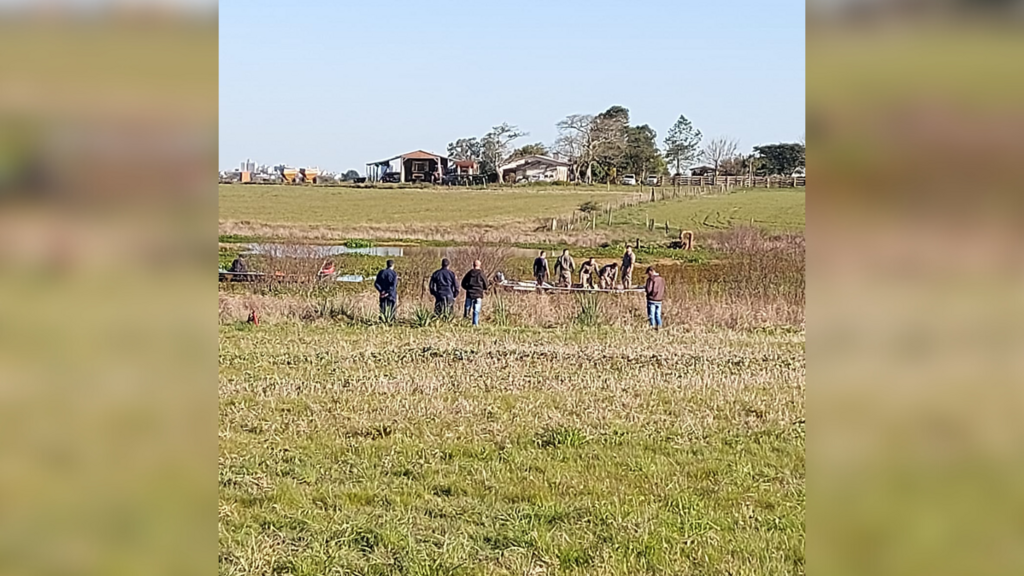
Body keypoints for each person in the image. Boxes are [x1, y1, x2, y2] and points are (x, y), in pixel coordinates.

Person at [460, 259, 488, 326]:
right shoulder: (481, 274)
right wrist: (482, 289)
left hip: (469, 294)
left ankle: (465, 323)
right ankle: (475, 324)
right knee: (476, 310)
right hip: (478, 294)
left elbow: (463, 283)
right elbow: (486, 285)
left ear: (473, 265)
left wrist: (468, 288)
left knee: (467, 309)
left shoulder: (469, 273)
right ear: (480, 265)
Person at [644, 265, 665, 329]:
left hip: (652, 299)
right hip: (659, 300)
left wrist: (646, 291)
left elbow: (649, 289)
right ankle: (660, 326)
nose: (648, 275)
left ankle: (652, 327)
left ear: (651, 271)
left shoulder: (651, 279)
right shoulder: (661, 279)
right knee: (658, 315)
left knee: (651, 315)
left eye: (648, 273)